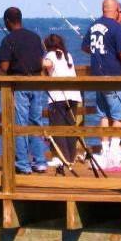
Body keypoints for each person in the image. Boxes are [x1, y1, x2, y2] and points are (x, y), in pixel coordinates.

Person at [81, 0, 121, 170]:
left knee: (104, 115)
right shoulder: (116, 27)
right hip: (115, 77)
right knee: (120, 115)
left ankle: (104, 150)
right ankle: (114, 150)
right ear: (117, 9)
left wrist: (100, 51)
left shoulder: (93, 26)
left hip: (98, 77)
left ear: (103, 8)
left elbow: (85, 47)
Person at [0, 7, 48, 174]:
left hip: (19, 86)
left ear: (7, 21)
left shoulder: (8, 40)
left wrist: (0, 72)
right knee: (36, 122)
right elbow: (41, 62)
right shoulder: (34, 37)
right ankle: (40, 162)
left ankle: (23, 165)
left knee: (19, 125)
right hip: (36, 83)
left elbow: (4, 67)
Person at [42, 34, 82, 164]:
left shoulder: (51, 55)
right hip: (73, 95)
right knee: (69, 128)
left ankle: (61, 158)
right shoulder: (67, 55)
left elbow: (46, 64)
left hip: (58, 96)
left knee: (57, 128)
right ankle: (70, 157)